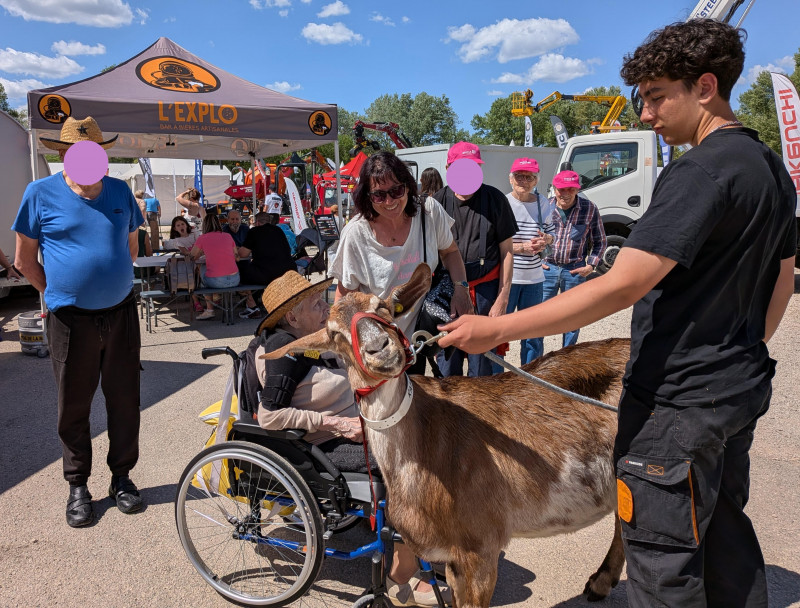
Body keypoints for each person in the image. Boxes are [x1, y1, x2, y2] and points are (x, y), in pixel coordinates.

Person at [440, 19, 796, 608]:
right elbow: (782, 274)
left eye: (657, 96)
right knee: (722, 534)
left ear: (705, 87)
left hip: (677, 403)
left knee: (663, 560)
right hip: (737, 387)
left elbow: (623, 283)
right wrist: (742, 350)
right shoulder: (768, 165)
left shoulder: (699, 170)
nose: (647, 114)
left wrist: (497, 327)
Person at [254, 270, 452, 607]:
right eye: (315, 304)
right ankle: (401, 574)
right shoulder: (284, 353)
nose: (325, 307)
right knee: (410, 465)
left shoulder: (318, 342)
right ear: (292, 318)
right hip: (323, 444)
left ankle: (428, 542)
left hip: (359, 427)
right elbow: (269, 416)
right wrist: (337, 425)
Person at [12, 116, 145, 527]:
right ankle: (78, 485)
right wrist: (56, 293)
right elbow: (23, 261)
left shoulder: (120, 191)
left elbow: (131, 248)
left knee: (125, 401)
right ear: (63, 154)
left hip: (121, 314)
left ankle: (121, 478)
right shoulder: (39, 193)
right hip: (70, 320)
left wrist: (108, 279)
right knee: (74, 404)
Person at [329, 151, 471, 375]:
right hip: (377, 347)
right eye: (379, 195)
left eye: (396, 191)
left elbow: (451, 252)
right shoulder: (356, 234)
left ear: (408, 186)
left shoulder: (429, 213)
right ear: (367, 196)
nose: (390, 201)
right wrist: (347, 351)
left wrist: (461, 289)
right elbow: (344, 297)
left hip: (416, 340)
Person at [432, 142, 517, 377]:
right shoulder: (437, 202)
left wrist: (503, 298)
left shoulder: (495, 199)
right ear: (449, 168)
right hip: (447, 291)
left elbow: (507, 251)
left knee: (483, 365)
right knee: (448, 363)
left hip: (485, 291)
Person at [540, 169, 606, 347]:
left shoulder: (589, 208)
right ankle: (536, 360)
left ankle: (567, 357)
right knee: (539, 317)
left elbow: (600, 241)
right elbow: (532, 236)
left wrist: (591, 266)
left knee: (573, 319)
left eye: (571, 189)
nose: (565, 193)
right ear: (554, 189)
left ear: (578, 189)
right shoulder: (544, 207)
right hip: (547, 269)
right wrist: (537, 261)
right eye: (561, 189)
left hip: (574, 270)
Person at [500, 157, 555, 367]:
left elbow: (552, 234)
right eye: (519, 176)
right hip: (508, 279)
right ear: (510, 179)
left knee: (533, 335)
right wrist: (521, 247)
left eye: (529, 177)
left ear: (536, 181)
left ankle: (531, 377)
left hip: (534, 279)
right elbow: (493, 243)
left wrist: (546, 240)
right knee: (500, 333)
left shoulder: (542, 203)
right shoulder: (503, 202)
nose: (523, 181)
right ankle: (496, 378)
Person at [237, 211, 296, 318]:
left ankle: (252, 307)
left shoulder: (254, 231)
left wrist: (236, 249)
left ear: (257, 222)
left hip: (267, 273)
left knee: (241, 271)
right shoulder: (278, 230)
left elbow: (243, 254)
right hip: (287, 271)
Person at [189, 213, 240, 320]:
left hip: (216, 281)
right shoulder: (228, 236)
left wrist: (202, 252)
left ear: (204, 225)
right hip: (235, 279)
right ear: (218, 223)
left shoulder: (202, 238)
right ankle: (216, 297)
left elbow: (192, 257)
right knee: (210, 271)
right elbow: (237, 258)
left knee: (202, 268)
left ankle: (210, 309)